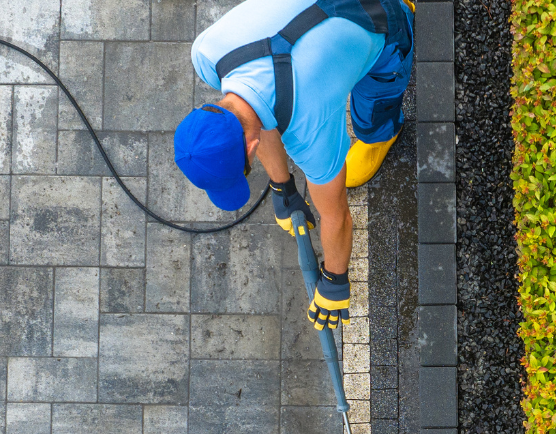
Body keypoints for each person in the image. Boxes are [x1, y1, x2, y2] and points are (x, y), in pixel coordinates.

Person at [173, 0, 414, 330]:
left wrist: (334, 280)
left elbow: (336, 216)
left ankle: (383, 132)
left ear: (251, 147)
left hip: (383, 18)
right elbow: (257, 115)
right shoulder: (209, 53)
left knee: (371, 118)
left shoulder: (308, 129)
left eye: (246, 166)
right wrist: (281, 187)